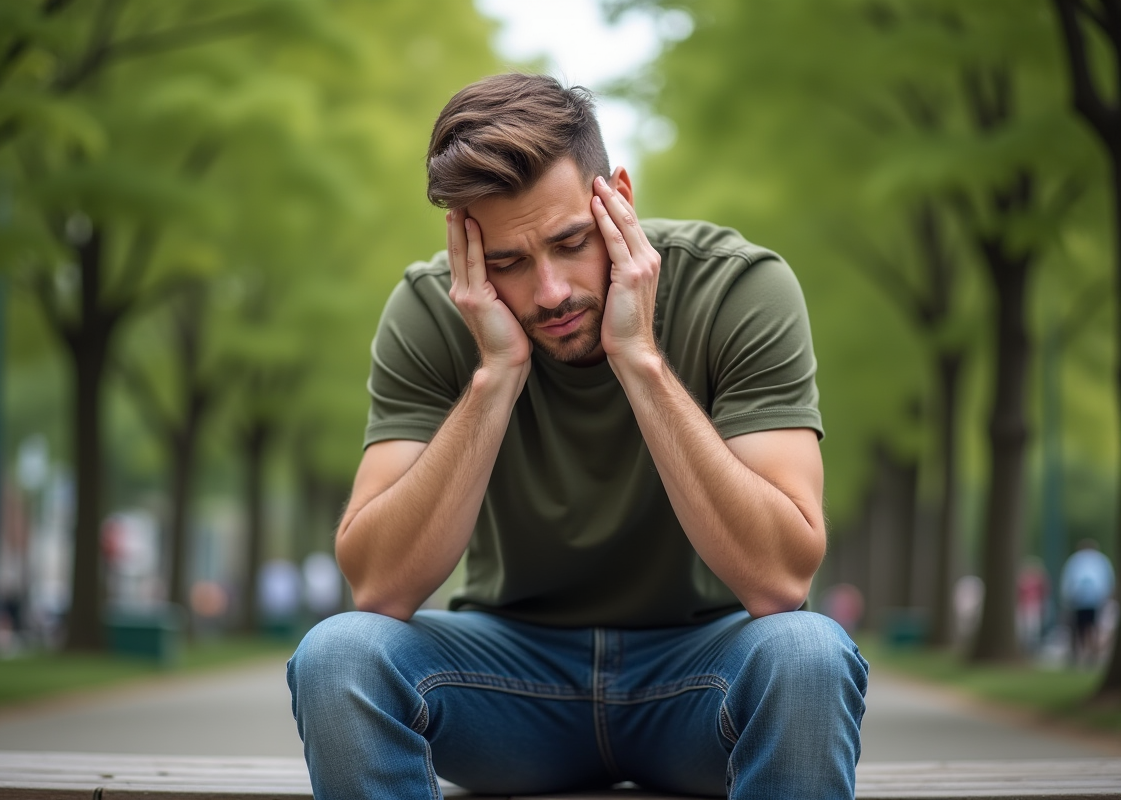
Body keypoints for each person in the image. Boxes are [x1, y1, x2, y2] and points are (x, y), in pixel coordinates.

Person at [286, 73, 868, 799]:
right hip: (507, 687)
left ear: (617, 197)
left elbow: (782, 578)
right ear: (467, 248)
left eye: (570, 242)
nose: (551, 291)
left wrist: (641, 361)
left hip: (702, 682)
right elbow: (378, 585)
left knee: (808, 654)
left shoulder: (739, 288)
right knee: (337, 655)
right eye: (507, 263)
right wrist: (495, 373)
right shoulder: (430, 313)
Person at [1061, 539, 1116, 666]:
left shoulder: (1078, 560)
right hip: (1084, 600)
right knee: (1086, 627)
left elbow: (1068, 580)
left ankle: (1087, 653)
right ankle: (1084, 653)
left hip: (1088, 600)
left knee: (1086, 627)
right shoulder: (1099, 560)